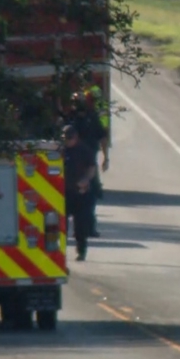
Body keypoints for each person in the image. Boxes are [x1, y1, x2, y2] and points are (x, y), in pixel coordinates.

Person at [60, 90, 109, 237]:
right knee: (68, 196)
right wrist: (106, 158)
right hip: (72, 163)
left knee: (91, 196)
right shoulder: (70, 120)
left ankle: (88, 228)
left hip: (87, 163)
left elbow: (102, 137)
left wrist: (106, 158)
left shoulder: (88, 118)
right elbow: (103, 138)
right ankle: (71, 228)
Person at [61, 125, 96, 261]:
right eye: (65, 138)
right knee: (61, 225)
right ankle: (60, 252)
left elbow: (92, 167)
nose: (67, 141)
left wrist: (86, 180)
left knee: (80, 226)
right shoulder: (61, 150)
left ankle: (81, 252)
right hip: (64, 193)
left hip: (80, 193)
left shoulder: (84, 150)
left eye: (69, 138)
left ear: (76, 137)